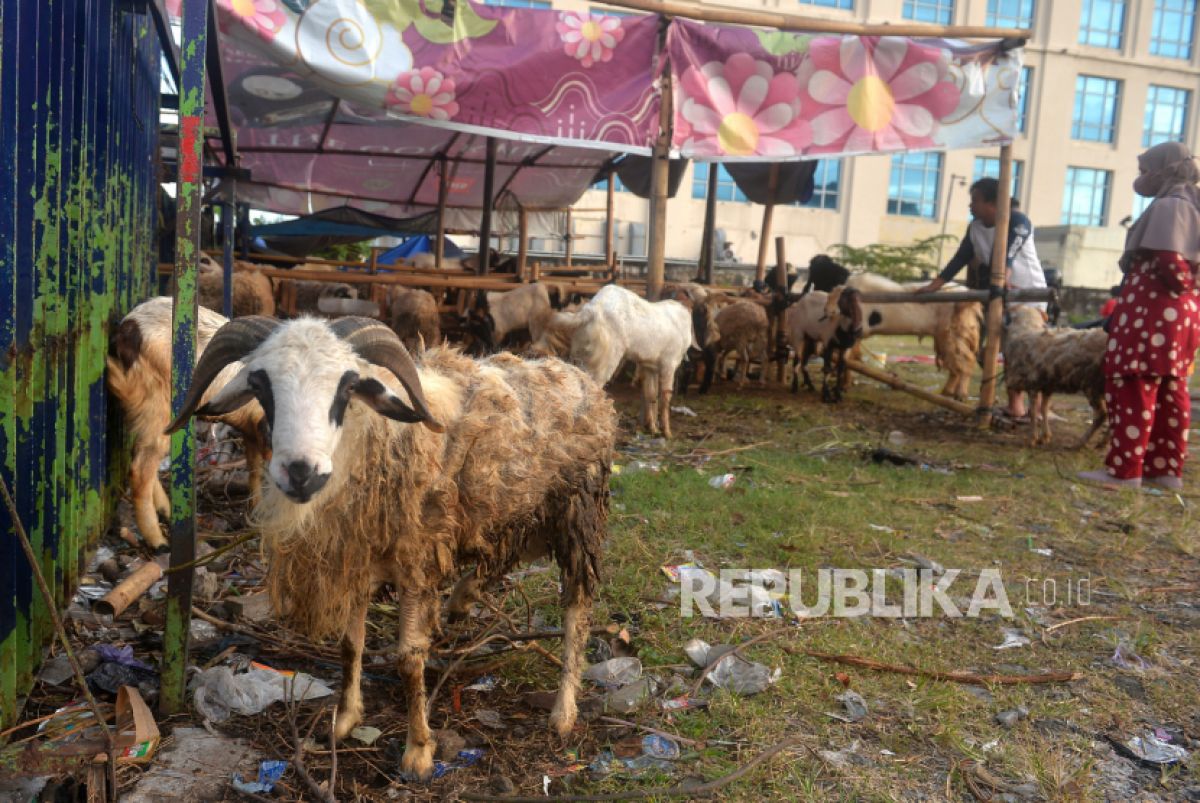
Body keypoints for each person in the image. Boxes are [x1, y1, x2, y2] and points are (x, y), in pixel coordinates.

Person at [1079, 142, 1200, 490]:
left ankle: (1125, 470)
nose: (1141, 178)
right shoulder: (1191, 204)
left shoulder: (1168, 206)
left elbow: (1169, 261)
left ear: (1165, 170)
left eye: (1145, 170)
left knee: (1133, 385)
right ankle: (1165, 469)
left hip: (1153, 313)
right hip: (1181, 317)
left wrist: (1181, 286)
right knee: (1171, 388)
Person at [917, 177, 1048, 418]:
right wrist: (934, 285)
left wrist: (1003, 277)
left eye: (975, 201)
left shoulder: (1018, 221)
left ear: (993, 204)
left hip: (1027, 295)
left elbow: (1008, 254)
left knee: (1028, 351)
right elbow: (960, 257)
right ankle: (1015, 406)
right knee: (1007, 352)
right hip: (1000, 295)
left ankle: (1037, 408)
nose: (971, 206)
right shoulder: (975, 227)